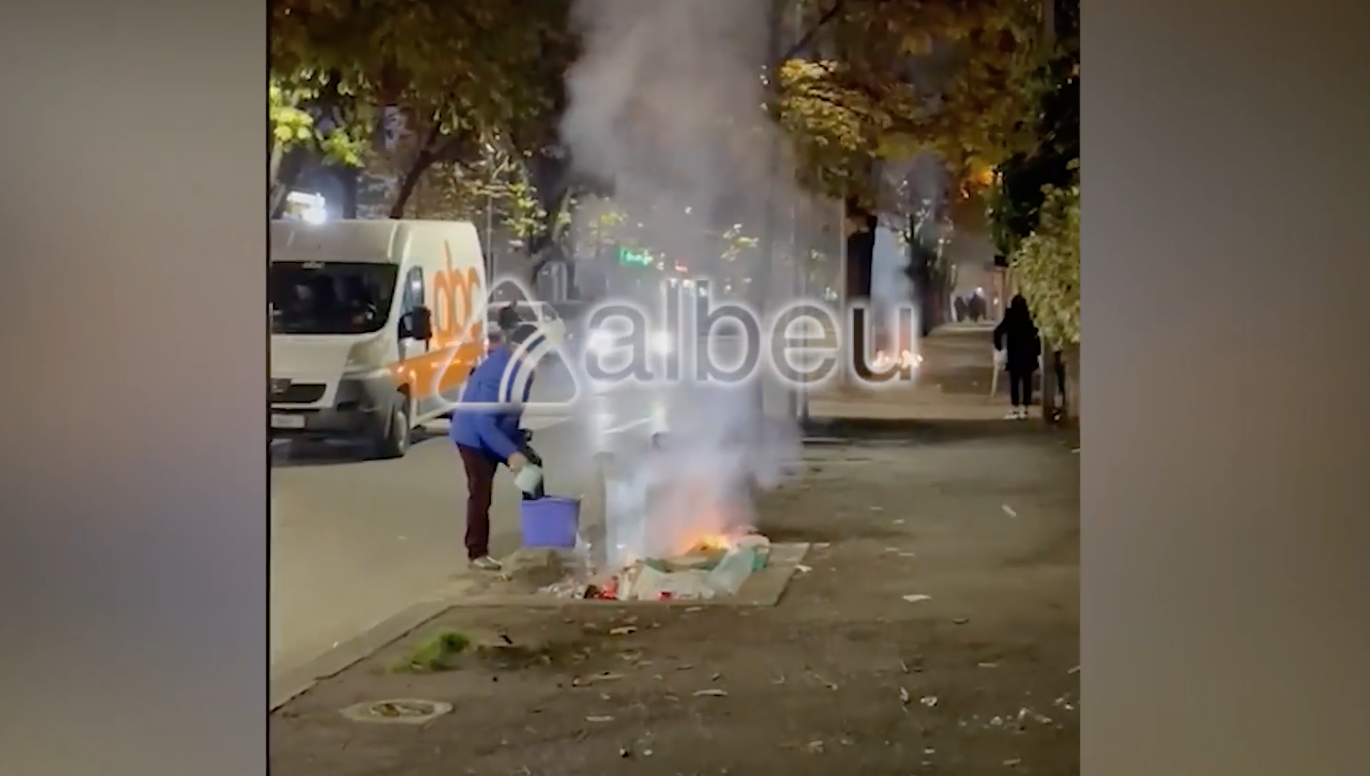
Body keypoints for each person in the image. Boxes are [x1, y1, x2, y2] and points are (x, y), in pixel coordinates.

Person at [448, 322, 544, 570]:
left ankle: (541, 537)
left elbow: (512, 410)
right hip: (473, 437)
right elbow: (484, 423)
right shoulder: (497, 373)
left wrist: (518, 440)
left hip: (500, 431)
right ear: (517, 349)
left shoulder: (525, 369)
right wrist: (511, 453)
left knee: (532, 469)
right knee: (481, 492)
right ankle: (477, 552)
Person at [993, 294, 1042, 420]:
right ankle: (1025, 408)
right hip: (1028, 354)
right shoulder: (1029, 317)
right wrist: (1037, 351)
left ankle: (1015, 407)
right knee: (1027, 381)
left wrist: (999, 347)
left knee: (1014, 382)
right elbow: (1037, 335)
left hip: (1014, 354)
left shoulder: (1010, 316)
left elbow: (998, 331)